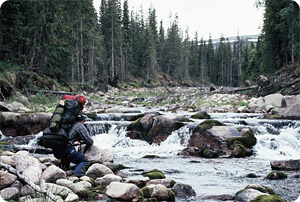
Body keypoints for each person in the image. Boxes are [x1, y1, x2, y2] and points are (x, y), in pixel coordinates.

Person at [52, 94, 94, 177]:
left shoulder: (63, 122)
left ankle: (63, 170)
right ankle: (77, 174)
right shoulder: (78, 125)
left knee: (67, 156)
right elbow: (89, 141)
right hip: (66, 150)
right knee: (85, 161)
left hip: (56, 150)